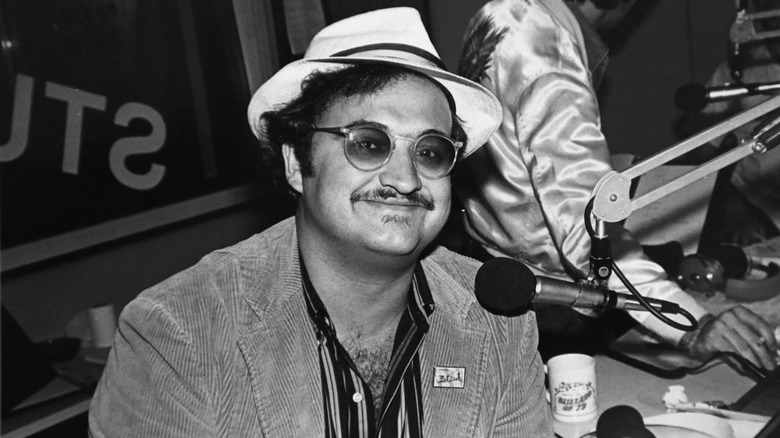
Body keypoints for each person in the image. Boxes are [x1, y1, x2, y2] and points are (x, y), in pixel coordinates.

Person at [88, 8, 553, 437]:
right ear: (296, 164)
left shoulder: (500, 322)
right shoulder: (177, 336)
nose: (406, 179)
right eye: (369, 143)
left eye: (430, 152)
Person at [457, 0, 779, 369]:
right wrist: (694, 325)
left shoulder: (502, 10)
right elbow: (589, 240)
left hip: (489, 267)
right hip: (549, 302)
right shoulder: (552, 61)